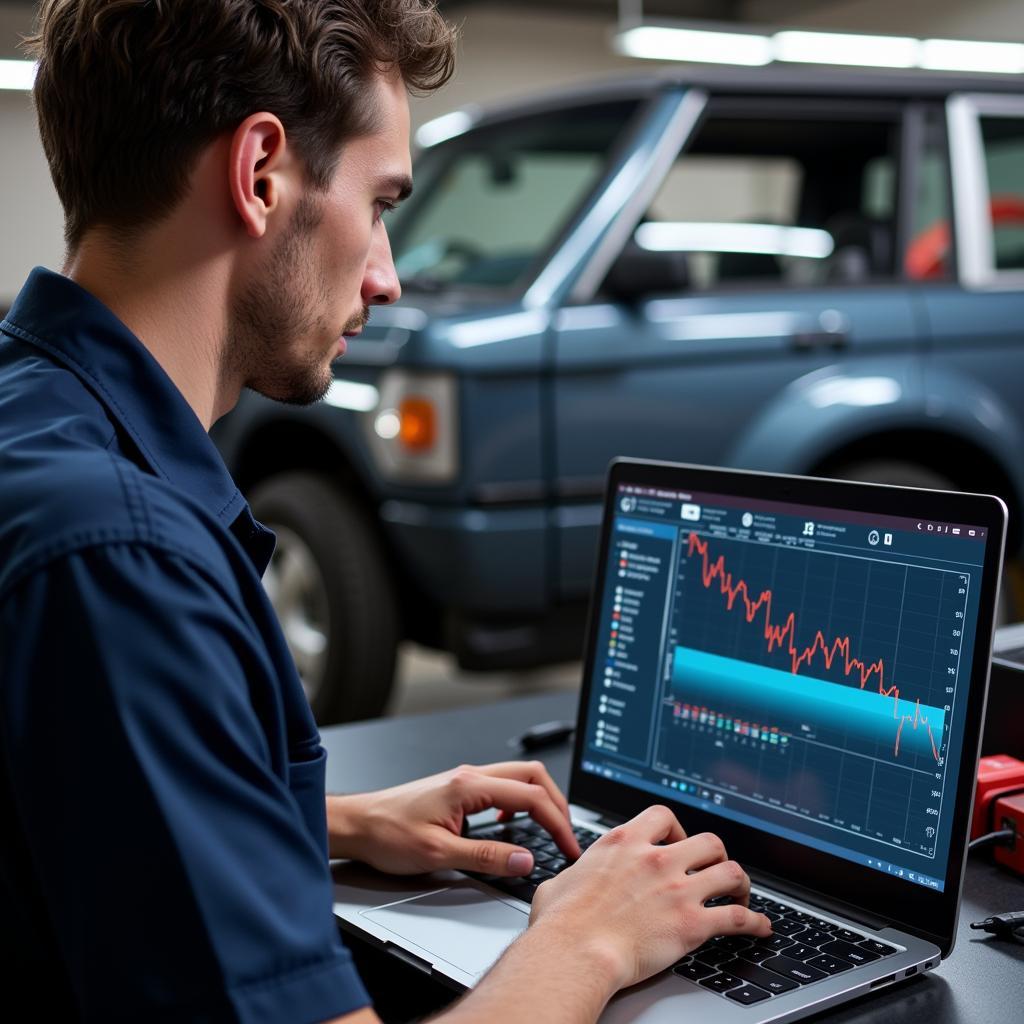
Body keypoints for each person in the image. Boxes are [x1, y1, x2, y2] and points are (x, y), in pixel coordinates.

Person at [0, 2, 771, 1021]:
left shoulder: (34, 418)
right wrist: (588, 938)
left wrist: (314, 818)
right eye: (380, 203)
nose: (387, 276)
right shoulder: (120, 556)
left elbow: (64, 799)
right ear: (261, 172)